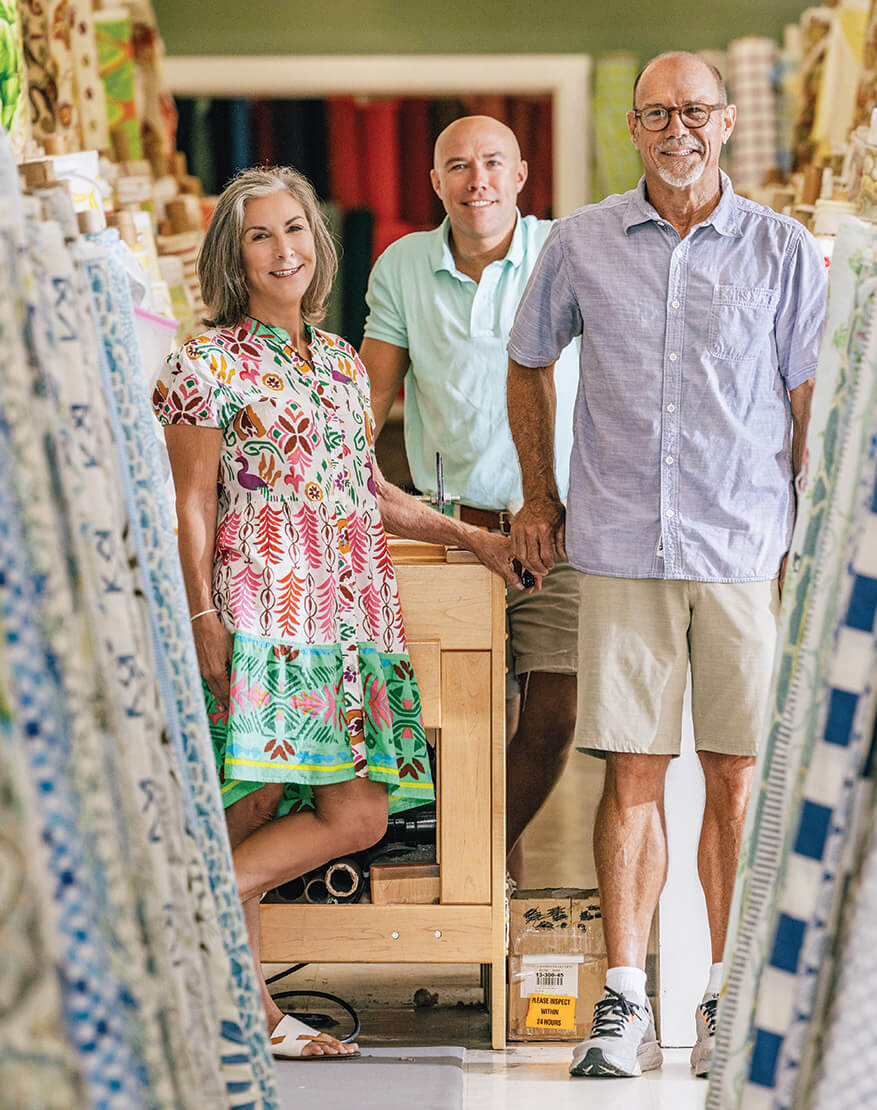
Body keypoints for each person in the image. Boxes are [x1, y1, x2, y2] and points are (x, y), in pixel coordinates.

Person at [506, 52, 827, 1080]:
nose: (676, 129)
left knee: (737, 778)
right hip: (620, 545)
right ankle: (626, 999)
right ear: (633, 129)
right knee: (632, 774)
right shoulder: (580, 242)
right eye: (656, 114)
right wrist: (540, 494)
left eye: (694, 111)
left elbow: (807, 403)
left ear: (726, 123)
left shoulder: (785, 250)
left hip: (740, 548)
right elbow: (527, 361)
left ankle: (730, 991)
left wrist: (810, 533)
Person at [153, 165, 517, 1059]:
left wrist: (468, 538)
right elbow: (190, 502)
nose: (285, 251)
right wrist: (202, 614)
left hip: (348, 616)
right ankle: (250, 1022)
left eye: (296, 231)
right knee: (251, 807)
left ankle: (169, 918)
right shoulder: (201, 365)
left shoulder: (341, 366)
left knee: (357, 815)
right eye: (261, 236)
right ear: (234, 258)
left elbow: (367, 492)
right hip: (260, 608)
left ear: (318, 244)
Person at [360, 115, 580, 882]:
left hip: (558, 532)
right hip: (453, 534)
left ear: (522, 175)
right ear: (434, 182)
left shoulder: (568, 249)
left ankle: (472, 871)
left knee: (552, 718)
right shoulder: (401, 265)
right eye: (457, 165)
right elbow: (367, 403)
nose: (475, 179)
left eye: (492, 163)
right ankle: (493, 920)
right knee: (472, 727)